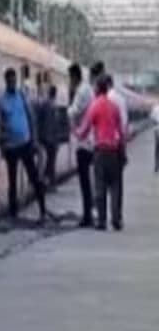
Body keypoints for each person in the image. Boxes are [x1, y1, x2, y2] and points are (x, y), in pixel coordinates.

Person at [76, 75, 126, 231]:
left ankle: (102, 221)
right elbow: (121, 132)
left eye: (95, 87)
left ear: (98, 89)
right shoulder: (114, 107)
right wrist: (122, 152)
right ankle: (116, 219)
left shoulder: (94, 106)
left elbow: (84, 131)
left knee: (100, 186)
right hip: (114, 151)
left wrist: (75, 131)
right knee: (115, 186)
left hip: (100, 151)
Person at [0, 68, 46, 223]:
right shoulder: (1, 100)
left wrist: (34, 139)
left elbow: (31, 117)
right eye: (10, 81)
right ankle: (13, 213)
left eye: (14, 80)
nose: (12, 83)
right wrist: (1, 143)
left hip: (25, 144)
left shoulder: (22, 97)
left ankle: (43, 210)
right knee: (12, 181)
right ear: (6, 81)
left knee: (34, 177)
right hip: (10, 147)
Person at [67, 64, 96, 227]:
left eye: (70, 78)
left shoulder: (82, 91)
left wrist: (69, 109)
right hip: (90, 140)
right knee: (88, 181)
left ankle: (87, 216)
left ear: (74, 77)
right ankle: (89, 213)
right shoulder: (89, 89)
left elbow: (74, 111)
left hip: (84, 142)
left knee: (85, 182)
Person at [36, 84, 60, 184]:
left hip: (46, 136)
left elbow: (40, 120)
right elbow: (55, 124)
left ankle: (47, 179)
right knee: (51, 159)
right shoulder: (53, 105)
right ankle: (48, 179)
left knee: (49, 159)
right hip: (51, 137)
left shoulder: (45, 104)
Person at [152, 100, 159, 174]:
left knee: (157, 149)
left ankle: (156, 165)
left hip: (157, 130)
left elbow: (152, 119)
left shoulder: (156, 108)